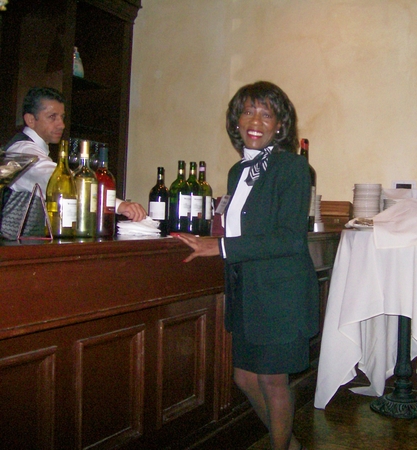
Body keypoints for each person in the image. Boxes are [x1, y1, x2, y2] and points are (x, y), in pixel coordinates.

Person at [175, 81, 318, 450]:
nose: (256, 121)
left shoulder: (293, 168)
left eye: (266, 114)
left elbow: (289, 238)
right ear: (236, 121)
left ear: (280, 125)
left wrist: (220, 247)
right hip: (247, 289)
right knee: (244, 377)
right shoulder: (238, 171)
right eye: (248, 112)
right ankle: (288, 444)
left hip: (280, 292)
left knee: (272, 380)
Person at [3, 87, 146, 221]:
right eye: (52, 117)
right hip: (13, 240)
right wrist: (119, 205)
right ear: (30, 120)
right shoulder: (23, 152)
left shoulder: (30, 149)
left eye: (62, 117)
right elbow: (61, 180)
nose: (62, 125)